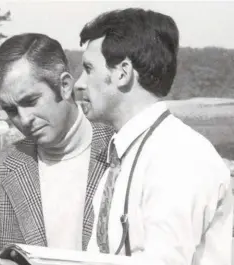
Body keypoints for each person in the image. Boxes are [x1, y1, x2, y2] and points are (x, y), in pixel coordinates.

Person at [74, 8, 233, 265]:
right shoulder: (124, 154)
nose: (78, 84)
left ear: (122, 73)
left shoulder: (179, 157)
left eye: (88, 69)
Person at [0, 33, 115, 265]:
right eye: (11, 110)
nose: (24, 119)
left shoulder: (123, 152)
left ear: (65, 86)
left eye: (30, 101)